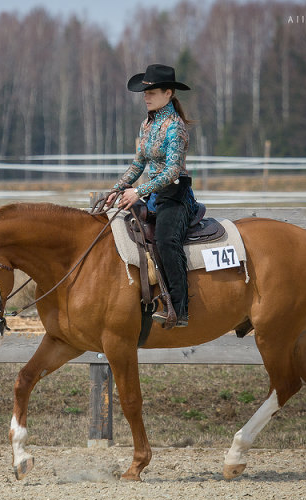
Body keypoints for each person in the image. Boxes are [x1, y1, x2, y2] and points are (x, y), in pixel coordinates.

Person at [106, 64, 198, 329]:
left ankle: (180, 309)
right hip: (153, 195)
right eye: (145, 93)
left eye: (152, 92)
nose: (146, 97)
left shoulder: (175, 127)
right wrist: (116, 189)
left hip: (176, 196)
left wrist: (138, 192)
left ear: (168, 93)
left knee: (167, 240)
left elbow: (170, 172)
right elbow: (138, 165)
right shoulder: (147, 124)